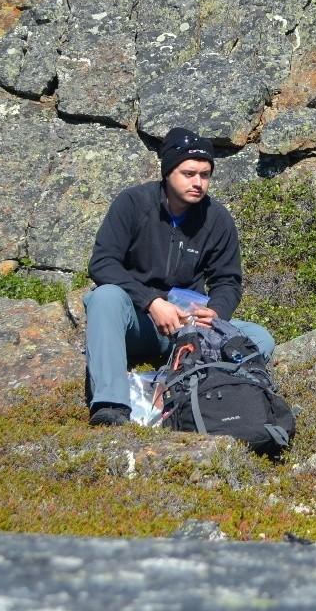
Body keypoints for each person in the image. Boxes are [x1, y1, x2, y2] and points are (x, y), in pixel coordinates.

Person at [83, 127, 276, 426]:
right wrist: (151, 302)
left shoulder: (217, 219)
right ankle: (112, 405)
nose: (198, 182)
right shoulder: (133, 204)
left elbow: (227, 281)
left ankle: (175, 384)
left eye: (205, 174)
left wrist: (216, 312)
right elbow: (103, 263)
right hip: (138, 321)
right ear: (168, 170)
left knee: (259, 337)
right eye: (189, 173)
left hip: (188, 330)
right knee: (104, 297)